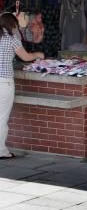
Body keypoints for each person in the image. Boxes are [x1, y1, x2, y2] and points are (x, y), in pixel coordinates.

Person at [1, 13, 45, 160]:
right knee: (2, 118)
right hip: (4, 83)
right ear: (12, 25)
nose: (16, 29)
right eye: (15, 26)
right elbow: (26, 57)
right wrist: (38, 54)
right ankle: (1, 151)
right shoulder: (12, 39)